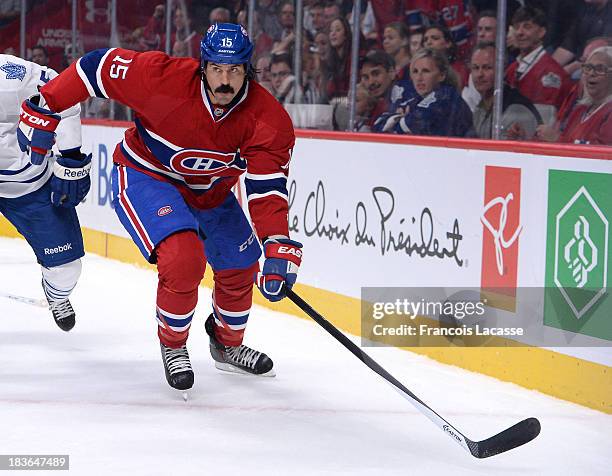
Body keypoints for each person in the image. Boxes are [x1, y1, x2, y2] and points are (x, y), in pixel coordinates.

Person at [20, 23, 302, 391]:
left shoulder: (269, 120)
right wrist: (47, 103)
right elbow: (96, 68)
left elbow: (266, 191)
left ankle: (227, 345)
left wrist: (277, 243)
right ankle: (174, 345)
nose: (224, 80)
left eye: (234, 71)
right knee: (183, 258)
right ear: (203, 65)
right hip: (147, 175)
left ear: (248, 69)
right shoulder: (160, 79)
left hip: (212, 193)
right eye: (216, 68)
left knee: (241, 263)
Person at [0, 53, 90, 332]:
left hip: (27, 185)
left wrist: (71, 156)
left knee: (66, 270)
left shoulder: (11, 73)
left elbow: (62, 90)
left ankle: (56, 295)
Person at [373, 48, 473, 137]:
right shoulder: (416, 99)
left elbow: (415, 124)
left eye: (426, 71)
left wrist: (398, 120)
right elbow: (378, 124)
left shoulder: (446, 96)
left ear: (442, 75)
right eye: (415, 71)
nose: (419, 78)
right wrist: (397, 118)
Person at [505, 6, 572, 125]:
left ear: (541, 32)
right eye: (516, 27)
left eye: (527, 26)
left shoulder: (551, 74)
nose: (520, 32)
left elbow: (544, 122)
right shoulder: (511, 69)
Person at [470, 42, 542, 140]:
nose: (480, 74)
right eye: (475, 68)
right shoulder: (480, 108)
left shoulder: (516, 110)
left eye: (487, 68)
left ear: (503, 71)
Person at [557, 46, 612, 145]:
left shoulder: (609, 113)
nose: (591, 73)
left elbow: (603, 155)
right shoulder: (580, 109)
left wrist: (556, 139)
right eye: (588, 68)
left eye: (600, 69)